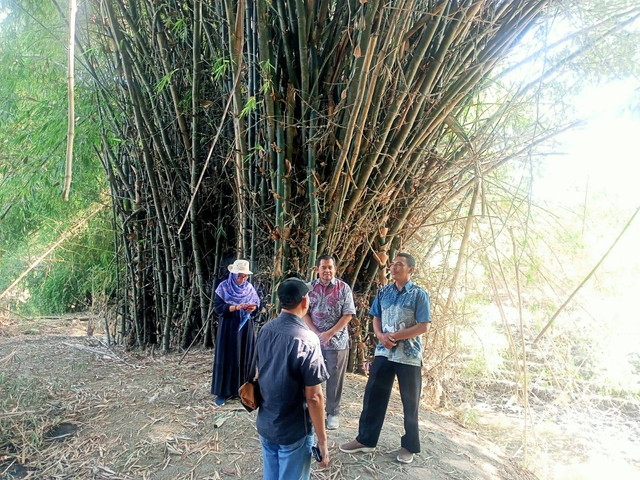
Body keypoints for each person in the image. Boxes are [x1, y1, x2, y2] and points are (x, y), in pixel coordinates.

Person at [340, 253, 431, 465]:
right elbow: (376, 317)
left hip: (408, 355)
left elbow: (424, 325)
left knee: (410, 403)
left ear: (411, 270)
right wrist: (381, 336)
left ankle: (409, 446)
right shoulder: (383, 291)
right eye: (392, 264)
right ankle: (366, 440)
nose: (393, 267)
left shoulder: (419, 294)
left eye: (399, 264)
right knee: (373, 396)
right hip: (384, 352)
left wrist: (396, 336)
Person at [256, 277, 330, 479]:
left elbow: (258, 372)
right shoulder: (308, 340)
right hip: (293, 429)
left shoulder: (265, 330)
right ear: (305, 302)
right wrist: (322, 440)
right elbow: (314, 397)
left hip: (266, 423)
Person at [303, 254, 356, 430]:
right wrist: (317, 333)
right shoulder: (309, 287)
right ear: (317, 269)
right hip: (313, 340)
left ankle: (332, 412)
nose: (327, 270)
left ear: (335, 269)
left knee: (334, 378)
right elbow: (304, 313)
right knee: (310, 375)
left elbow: (348, 314)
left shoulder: (343, 288)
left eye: (330, 267)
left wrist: (329, 334)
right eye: (323, 267)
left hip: (338, 342)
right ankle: (308, 408)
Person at [211, 259, 260, 406]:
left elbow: (257, 306)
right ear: (233, 275)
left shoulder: (249, 288)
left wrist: (252, 308)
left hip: (245, 326)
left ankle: (243, 390)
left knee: (245, 355)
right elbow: (218, 308)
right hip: (229, 326)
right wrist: (236, 307)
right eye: (240, 276)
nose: (242, 279)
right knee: (227, 356)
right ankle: (223, 392)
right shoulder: (223, 287)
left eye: (245, 276)